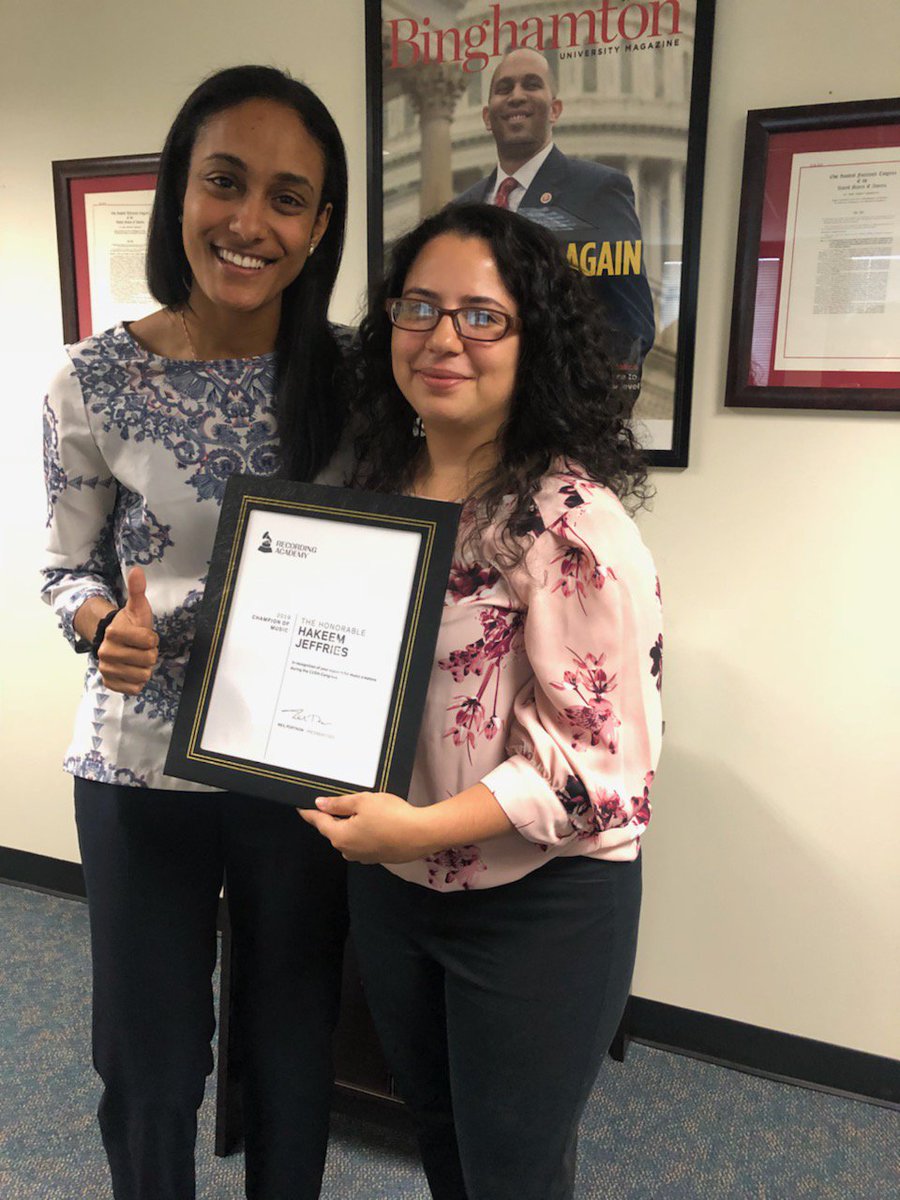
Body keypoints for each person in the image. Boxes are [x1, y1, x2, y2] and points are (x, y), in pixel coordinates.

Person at [302, 203, 663, 1200]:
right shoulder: (371, 492)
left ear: (533, 339)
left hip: (536, 906)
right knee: (445, 1145)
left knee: (512, 1170)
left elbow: (598, 772)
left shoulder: (570, 527)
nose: (443, 337)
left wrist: (411, 828)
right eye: (418, 307)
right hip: (396, 886)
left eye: (482, 315)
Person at [41, 65, 349, 1200]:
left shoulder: (357, 378)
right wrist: (91, 624)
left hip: (298, 765)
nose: (249, 221)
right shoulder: (93, 377)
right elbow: (61, 564)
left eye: (286, 197)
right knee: (150, 1062)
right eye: (225, 182)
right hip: (139, 767)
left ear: (318, 230)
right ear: (181, 193)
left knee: (290, 1052)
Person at [456, 47, 655, 364]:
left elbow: (630, 326)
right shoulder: (460, 210)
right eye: (504, 88)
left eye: (531, 85)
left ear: (555, 110)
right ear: (486, 117)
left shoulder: (599, 189)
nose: (516, 96)